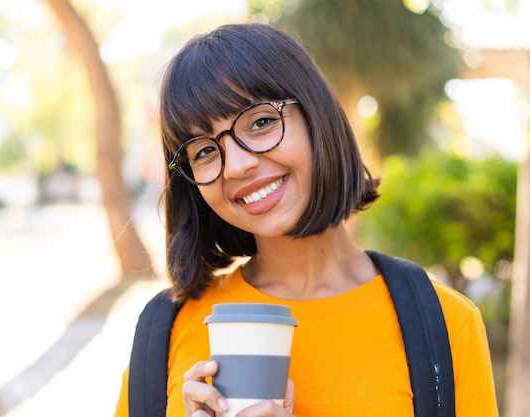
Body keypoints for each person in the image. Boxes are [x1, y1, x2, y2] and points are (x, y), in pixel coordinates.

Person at [114, 23, 498, 417]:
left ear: (316, 114)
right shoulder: (168, 330)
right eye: (205, 151)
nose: (238, 166)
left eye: (260, 122)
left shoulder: (446, 324)